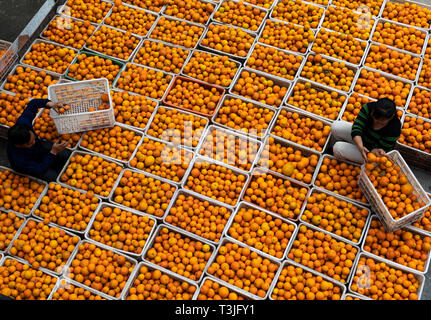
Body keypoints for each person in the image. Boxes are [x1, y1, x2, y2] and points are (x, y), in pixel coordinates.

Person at [7, 98, 71, 182]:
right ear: (19, 145)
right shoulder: (18, 159)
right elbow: (39, 169)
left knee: (66, 154)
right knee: (53, 178)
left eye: (34, 138)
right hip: (33, 165)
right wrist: (53, 152)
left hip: (39, 149)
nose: (34, 142)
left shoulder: (23, 123)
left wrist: (51, 104)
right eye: (30, 143)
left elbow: (33, 103)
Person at [331, 97, 401, 164]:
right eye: (374, 118)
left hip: (371, 151)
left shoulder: (394, 129)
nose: (376, 122)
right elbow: (357, 127)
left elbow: (382, 148)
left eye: (381, 121)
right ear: (373, 109)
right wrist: (360, 146)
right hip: (361, 138)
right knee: (335, 126)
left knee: (338, 148)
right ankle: (347, 148)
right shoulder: (368, 108)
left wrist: (374, 151)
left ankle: (347, 159)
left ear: (391, 117)